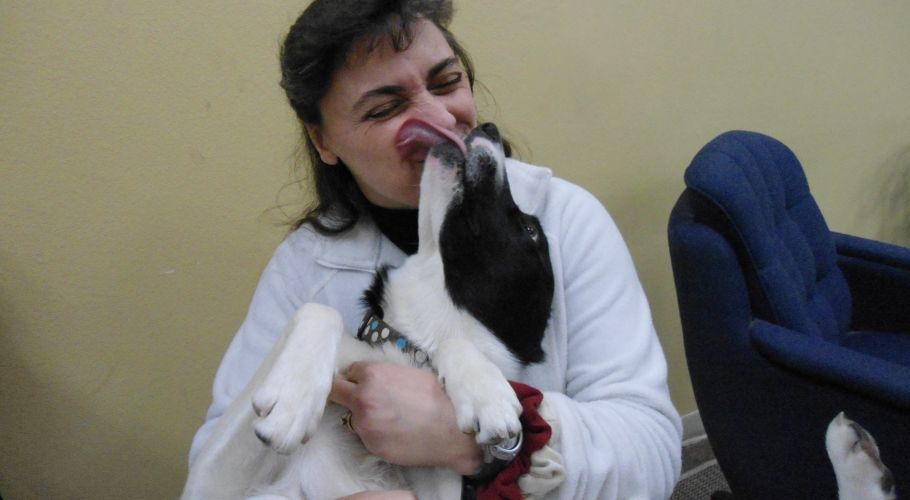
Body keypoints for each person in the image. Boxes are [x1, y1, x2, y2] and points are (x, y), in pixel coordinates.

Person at [188, 0, 682, 498]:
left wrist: (476, 437)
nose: (438, 116)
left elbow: (651, 455)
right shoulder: (303, 271)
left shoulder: (563, 221)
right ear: (323, 141)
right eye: (384, 108)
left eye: (446, 82)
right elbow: (219, 475)